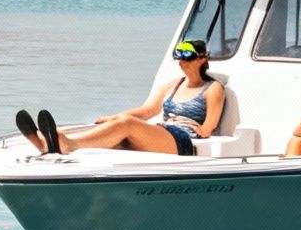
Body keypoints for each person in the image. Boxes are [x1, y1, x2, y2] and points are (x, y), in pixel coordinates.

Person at [18, 39, 224, 156]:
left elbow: (209, 126)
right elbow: (147, 111)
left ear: (203, 58)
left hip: (183, 139)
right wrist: (113, 117)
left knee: (126, 125)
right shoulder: (173, 85)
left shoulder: (212, 88)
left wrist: (202, 130)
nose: (181, 62)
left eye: (187, 56)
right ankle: (46, 144)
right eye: (178, 56)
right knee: (117, 136)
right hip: (161, 133)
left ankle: (68, 144)